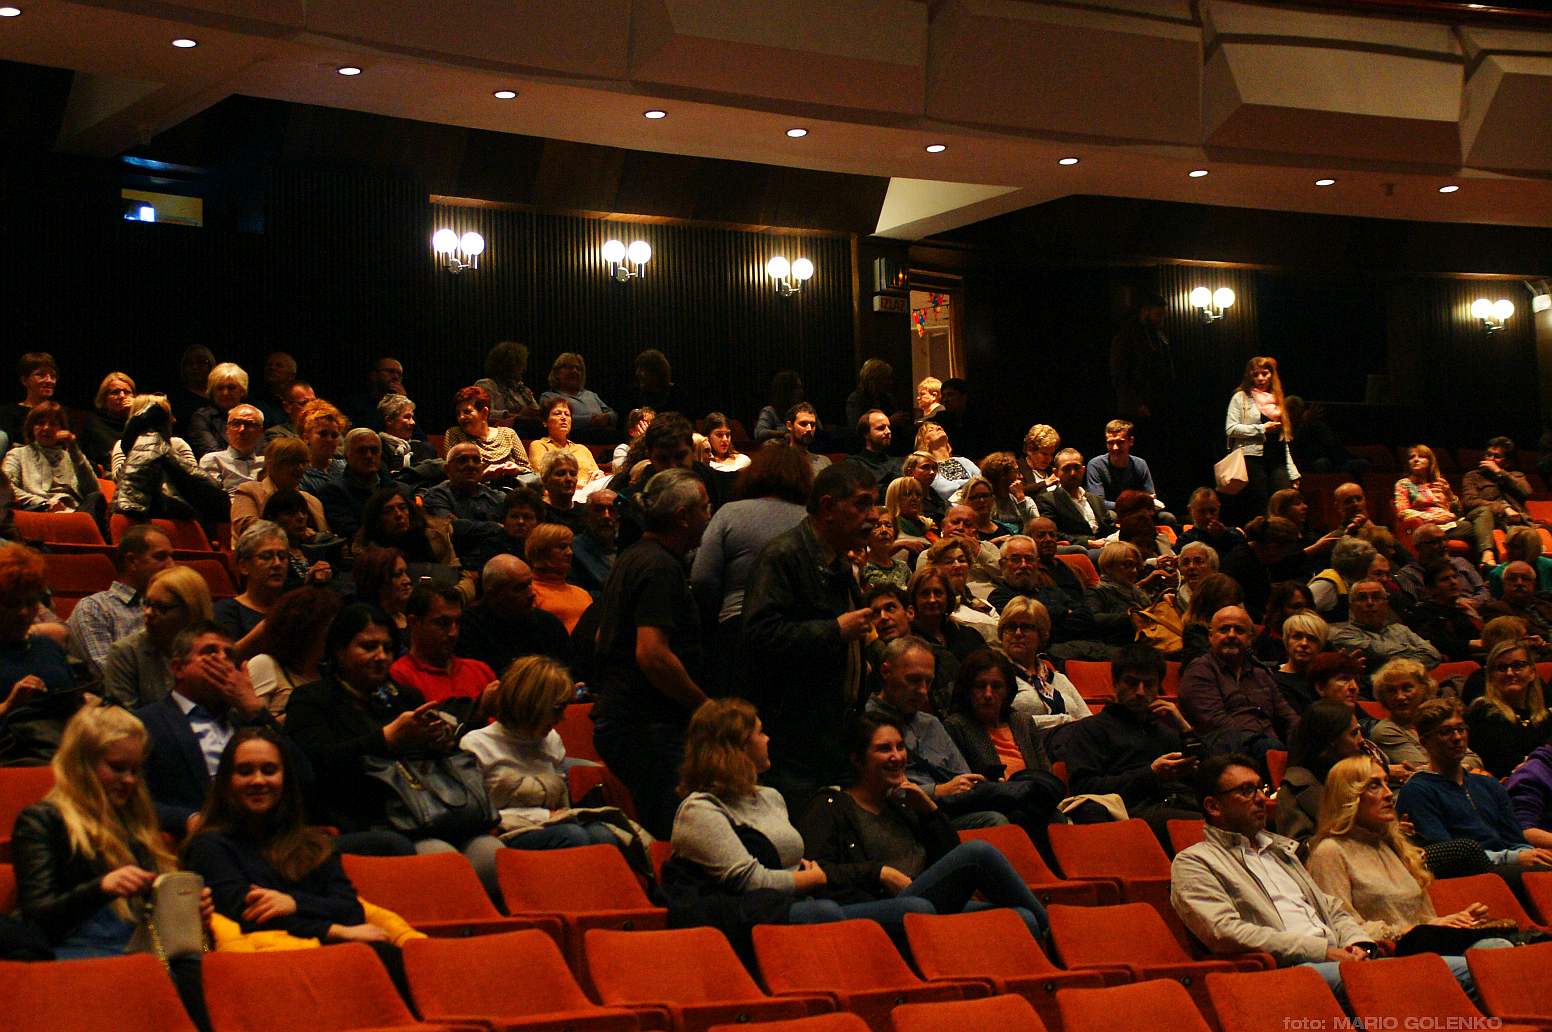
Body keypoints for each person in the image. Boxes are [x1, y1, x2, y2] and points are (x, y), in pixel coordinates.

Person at [10, 706, 212, 1027]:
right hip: (76, 953)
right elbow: (39, 919)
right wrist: (102, 888)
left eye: (135, 770)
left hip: (142, 954)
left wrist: (189, 914)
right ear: (82, 764)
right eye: (117, 768)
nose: (129, 780)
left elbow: (156, 927)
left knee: (196, 967)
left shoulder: (137, 827)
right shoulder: (42, 821)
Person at [285, 605, 505, 884]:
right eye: (368, 647)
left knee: (493, 855)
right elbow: (314, 766)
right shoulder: (312, 700)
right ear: (339, 651)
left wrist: (440, 742)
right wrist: (386, 739)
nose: (381, 656)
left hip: (430, 810)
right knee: (442, 860)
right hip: (367, 819)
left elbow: (436, 763)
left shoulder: (404, 697)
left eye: (387, 648)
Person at [667, 698, 922, 933]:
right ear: (738, 746)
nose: (768, 739)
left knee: (918, 907)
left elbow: (792, 861)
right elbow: (751, 881)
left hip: (801, 901)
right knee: (828, 912)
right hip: (747, 917)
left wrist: (930, 812)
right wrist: (814, 877)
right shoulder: (700, 810)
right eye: (760, 732)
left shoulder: (770, 797)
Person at [797, 712, 1048, 937]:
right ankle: (1055, 931)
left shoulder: (903, 803)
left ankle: (1045, 933)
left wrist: (929, 810)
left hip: (925, 896)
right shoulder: (829, 805)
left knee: (1022, 918)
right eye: (884, 749)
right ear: (857, 759)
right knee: (976, 853)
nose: (897, 757)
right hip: (879, 904)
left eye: (900, 747)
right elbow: (817, 872)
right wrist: (879, 872)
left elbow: (950, 861)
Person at [184, 728, 409, 967]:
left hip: (332, 956)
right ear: (227, 781)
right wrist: (333, 931)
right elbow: (249, 917)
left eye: (269, 770)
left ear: (285, 779)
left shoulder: (312, 844)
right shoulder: (209, 846)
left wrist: (293, 903)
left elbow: (350, 908)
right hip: (266, 963)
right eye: (245, 771)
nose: (258, 780)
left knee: (390, 956)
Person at [741, 462, 878, 810]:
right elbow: (760, 633)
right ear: (828, 507)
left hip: (836, 732)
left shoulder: (839, 562)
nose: (874, 516)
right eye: (862, 504)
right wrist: (835, 630)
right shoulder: (783, 555)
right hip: (795, 740)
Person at [1171, 753, 1375, 986]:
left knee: (1402, 972)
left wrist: (1358, 944)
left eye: (1260, 788)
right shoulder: (1195, 862)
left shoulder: (1280, 851)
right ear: (1214, 806)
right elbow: (1225, 931)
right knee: (1380, 981)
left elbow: (1330, 908)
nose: (1261, 798)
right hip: (1283, 970)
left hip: (1334, 959)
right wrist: (1322, 951)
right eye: (1247, 790)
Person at [1307, 756, 1510, 982]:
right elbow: (1343, 928)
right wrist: (1420, 929)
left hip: (1424, 949)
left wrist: (1456, 921)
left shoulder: (1391, 845)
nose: (1388, 794)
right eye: (1374, 786)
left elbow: (1424, 920)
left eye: (1386, 783)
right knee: (1491, 962)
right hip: (1386, 959)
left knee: (1499, 946)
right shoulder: (1330, 852)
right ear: (1349, 797)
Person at [591, 469, 712, 839]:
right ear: (683, 516)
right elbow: (653, 655)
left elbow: (601, 636)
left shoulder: (631, 557)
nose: (710, 515)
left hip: (624, 715)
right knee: (675, 833)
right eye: (705, 507)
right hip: (647, 724)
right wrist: (704, 705)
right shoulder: (660, 567)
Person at [461, 654, 629, 850]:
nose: (562, 718)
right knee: (572, 835)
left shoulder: (552, 740)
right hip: (505, 831)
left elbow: (559, 804)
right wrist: (543, 816)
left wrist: (554, 815)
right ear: (530, 705)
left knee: (604, 835)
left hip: (553, 823)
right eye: (556, 709)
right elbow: (479, 816)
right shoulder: (476, 744)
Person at [135, 622, 288, 835]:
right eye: (210, 652)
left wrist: (254, 708)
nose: (223, 660)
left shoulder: (247, 721)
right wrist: (187, 820)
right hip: (197, 838)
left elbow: (302, 778)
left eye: (229, 655)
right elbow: (133, 798)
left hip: (265, 832)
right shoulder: (144, 723)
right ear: (178, 668)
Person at [689, 445, 810, 692]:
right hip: (795, 631)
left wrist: (714, 614)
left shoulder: (730, 513)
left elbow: (702, 577)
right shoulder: (810, 521)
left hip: (736, 627)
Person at [1062, 645, 1205, 836]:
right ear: (1115, 683)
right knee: (1214, 826)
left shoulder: (1166, 730)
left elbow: (1210, 775)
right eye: (1131, 683)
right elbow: (1084, 788)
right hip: (1130, 811)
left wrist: (1184, 727)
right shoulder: (1091, 729)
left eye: (1149, 684)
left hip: (1180, 802)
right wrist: (1151, 773)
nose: (1140, 692)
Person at [1394, 698, 1552, 871]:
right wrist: (1514, 858)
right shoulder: (1417, 791)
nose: (1457, 737)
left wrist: (1532, 855)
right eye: (1445, 732)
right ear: (1425, 742)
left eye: (1461, 729)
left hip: (1510, 866)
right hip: (1468, 873)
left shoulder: (1488, 784)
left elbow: (1516, 840)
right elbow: (1447, 855)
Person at [1178, 605, 1299, 759]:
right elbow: (1214, 723)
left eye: (1239, 630)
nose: (1231, 635)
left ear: (1250, 639)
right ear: (1210, 636)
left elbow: (1287, 715)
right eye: (1224, 630)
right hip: (1224, 753)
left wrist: (1302, 736)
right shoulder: (1199, 671)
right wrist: (1264, 743)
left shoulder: (1260, 673)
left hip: (1270, 748)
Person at [0, 542, 82, 765]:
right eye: (12, 604)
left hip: (66, 750)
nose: (23, 612)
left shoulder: (47, 647)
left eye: (31, 603)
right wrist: (8, 705)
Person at [66, 523, 174, 676]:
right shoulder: (95, 608)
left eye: (171, 557)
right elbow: (109, 674)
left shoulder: (173, 607)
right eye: (160, 557)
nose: (171, 565)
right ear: (132, 561)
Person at [102, 566, 213, 709]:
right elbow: (123, 718)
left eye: (161, 607)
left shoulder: (216, 649)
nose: (148, 612)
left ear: (190, 610)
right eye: (147, 603)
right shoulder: (126, 653)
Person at [110, 393, 226, 524]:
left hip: (156, 506)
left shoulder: (178, 444)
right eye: (168, 415)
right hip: (160, 511)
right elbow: (119, 479)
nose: (174, 420)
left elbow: (192, 483)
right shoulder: (123, 445)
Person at [457, 555, 573, 676]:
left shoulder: (549, 624)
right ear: (493, 593)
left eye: (530, 584)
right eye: (520, 588)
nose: (531, 593)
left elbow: (570, 672)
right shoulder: (467, 627)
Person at [1274, 700, 1367, 847]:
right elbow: (1298, 851)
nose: (1361, 740)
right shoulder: (1294, 789)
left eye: (1360, 731)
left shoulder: (1363, 775)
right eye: (1354, 734)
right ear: (1331, 740)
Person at [1368, 658, 1483, 774]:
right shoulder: (1385, 731)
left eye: (1407, 688)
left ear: (1424, 688)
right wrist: (1464, 767)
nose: (1400, 697)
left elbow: (1475, 760)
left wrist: (1460, 767)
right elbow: (1427, 772)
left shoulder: (1436, 720)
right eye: (1391, 691)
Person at [389, 587, 496, 709]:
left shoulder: (480, 670)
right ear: (413, 622)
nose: (453, 633)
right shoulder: (399, 675)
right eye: (442, 623)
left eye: (457, 622)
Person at [247, 587, 342, 720]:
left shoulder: (330, 673)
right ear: (307, 629)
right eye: (329, 628)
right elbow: (249, 726)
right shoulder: (265, 664)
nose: (336, 635)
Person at [997, 597, 1090, 729]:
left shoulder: (1059, 679)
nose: (1018, 633)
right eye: (1011, 627)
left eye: (1026, 627)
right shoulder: (996, 676)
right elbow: (1000, 721)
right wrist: (1062, 720)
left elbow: (1088, 721)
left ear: (1041, 635)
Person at [1225, 356, 1299, 520]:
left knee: (1284, 503)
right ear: (1249, 376)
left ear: (1271, 375)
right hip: (1253, 459)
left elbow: (1283, 440)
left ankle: (1283, 533)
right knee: (1260, 505)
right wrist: (1261, 429)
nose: (1260, 378)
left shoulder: (1277, 399)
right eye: (1255, 374)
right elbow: (1231, 429)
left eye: (1264, 374)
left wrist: (1293, 471)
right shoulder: (1241, 397)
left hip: (1277, 459)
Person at [1464, 640, 1550, 779]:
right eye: (1501, 668)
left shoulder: (1544, 715)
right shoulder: (1483, 713)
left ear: (1532, 672)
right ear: (1491, 676)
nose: (1510, 673)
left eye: (1518, 666)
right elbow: (1501, 765)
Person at [3, 402, 103, 519]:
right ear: (32, 428)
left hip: (75, 511)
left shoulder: (71, 456)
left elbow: (93, 490)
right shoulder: (18, 454)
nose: (46, 428)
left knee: (95, 497)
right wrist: (44, 503)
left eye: (53, 424)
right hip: (38, 510)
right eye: (40, 423)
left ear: (61, 429)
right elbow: (6, 488)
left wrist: (74, 449)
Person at [215, 521, 289, 662]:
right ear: (243, 566)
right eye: (266, 556)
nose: (277, 564)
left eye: (282, 556)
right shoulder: (226, 610)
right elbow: (225, 660)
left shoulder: (294, 608)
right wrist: (268, 625)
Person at [1329, 579, 1441, 670]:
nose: (1370, 603)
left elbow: (1433, 655)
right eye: (1362, 598)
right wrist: (1413, 649)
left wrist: (1395, 660)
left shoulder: (1400, 629)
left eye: (1376, 597)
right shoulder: (1344, 636)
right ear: (1352, 606)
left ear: (1386, 604)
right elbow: (1380, 655)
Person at [1463, 436, 1534, 567]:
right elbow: (1469, 501)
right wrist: (1503, 508)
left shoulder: (1516, 475)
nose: (1490, 459)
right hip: (1488, 520)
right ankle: (1490, 562)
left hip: (1517, 521)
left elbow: (1526, 492)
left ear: (1507, 462)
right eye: (1488, 454)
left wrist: (1499, 472)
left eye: (1497, 456)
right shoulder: (1473, 476)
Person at [1219, 517, 1303, 628]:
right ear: (1272, 548)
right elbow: (1237, 602)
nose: (1286, 556)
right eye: (1287, 551)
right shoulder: (1240, 563)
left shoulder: (1258, 558)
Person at [1085, 419, 1172, 523]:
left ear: (1131, 441)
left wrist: (1141, 504)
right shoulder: (1095, 465)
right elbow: (1099, 503)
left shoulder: (1140, 464)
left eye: (1120, 442)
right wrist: (1133, 505)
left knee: (1167, 518)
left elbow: (1150, 498)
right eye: (1110, 443)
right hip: (1115, 512)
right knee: (1110, 516)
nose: (1115, 447)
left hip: (1138, 512)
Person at [444, 385, 533, 482]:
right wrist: (482, 476)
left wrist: (516, 469)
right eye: (458, 413)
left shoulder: (508, 434)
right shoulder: (454, 434)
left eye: (467, 412)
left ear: (484, 413)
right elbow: (452, 474)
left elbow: (527, 470)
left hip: (512, 488)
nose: (461, 417)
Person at [1395, 524, 1491, 612]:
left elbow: (1483, 589)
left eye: (1445, 539)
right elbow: (1414, 607)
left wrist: (1473, 603)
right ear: (1418, 547)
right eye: (1435, 542)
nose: (1443, 544)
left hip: (1478, 609)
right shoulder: (1408, 574)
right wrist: (1453, 604)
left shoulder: (1460, 562)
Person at [1109, 291, 1171, 424]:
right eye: (1158, 315)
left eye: (1162, 315)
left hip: (1156, 400)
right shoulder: (1127, 336)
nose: (1161, 319)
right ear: (1145, 312)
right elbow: (1120, 374)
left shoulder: (1157, 334)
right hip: (1137, 406)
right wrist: (1136, 403)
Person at [1402, 561, 1483, 663]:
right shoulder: (1423, 613)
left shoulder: (1461, 609)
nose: (1453, 582)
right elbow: (1436, 644)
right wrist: (1470, 644)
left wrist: (1475, 618)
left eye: (1455, 577)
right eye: (1445, 579)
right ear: (1431, 589)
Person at [1394, 444, 1472, 548]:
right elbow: (1403, 512)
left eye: (1421, 456)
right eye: (1412, 457)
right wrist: (1436, 518)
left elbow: (1458, 513)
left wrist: (1449, 494)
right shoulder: (1404, 484)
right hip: (1426, 527)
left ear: (1430, 462)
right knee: (1471, 528)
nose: (1415, 460)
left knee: (1476, 524)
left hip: (1450, 524)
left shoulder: (1440, 483)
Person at [1035, 447, 1113, 547]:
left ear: (1083, 470)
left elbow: (1110, 528)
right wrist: (1088, 543)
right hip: (1079, 549)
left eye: (1077, 468)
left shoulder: (1096, 499)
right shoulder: (1048, 500)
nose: (1073, 473)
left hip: (1106, 546)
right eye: (1066, 469)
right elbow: (1053, 534)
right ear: (1056, 472)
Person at [1084, 540, 1156, 647]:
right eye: (1127, 565)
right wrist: (1130, 617)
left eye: (1136, 566)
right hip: (1119, 647)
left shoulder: (1136, 592)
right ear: (1108, 567)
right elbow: (1092, 619)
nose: (1134, 571)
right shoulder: (1097, 592)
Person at [523, 523, 592, 634]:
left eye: (570, 547)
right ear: (542, 551)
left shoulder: (583, 594)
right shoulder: (529, 592)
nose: (570, 552)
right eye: (562, 547)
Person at [528, 395, 604, 487]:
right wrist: (580, 485)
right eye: (557, 414)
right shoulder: (539, 445)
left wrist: (599, 476)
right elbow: (544, 477)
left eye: (567, 414)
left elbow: (597, 473)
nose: (563, 417)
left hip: (590, 491)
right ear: (545, 422)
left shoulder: (582, 449)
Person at [351, 546, 413, 655]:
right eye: (398, 575)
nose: (407, 580)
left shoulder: (409, 611)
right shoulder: (368, 625)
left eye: (405, 573)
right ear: (377, 581)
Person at [538, 353, 615, 436]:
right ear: (557, 373)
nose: (575, 371)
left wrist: (608, 417)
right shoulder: (549, 397)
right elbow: (555, 419)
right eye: (570, 367)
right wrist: (591, 420)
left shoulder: (591, 395)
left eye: (579, 369)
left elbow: (613, 414)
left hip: (605, 439)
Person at [1483, 561, 1552, 650]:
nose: (1519, 583)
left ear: (1533, 584)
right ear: (1503, 584)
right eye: (1512, 579)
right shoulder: (1496, 610)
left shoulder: (1545, 603)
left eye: (1525, 578)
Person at [198, 403, 265, 494]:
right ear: (227, 430)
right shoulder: (213, 460)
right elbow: (213, 497)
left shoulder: (267, 463)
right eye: (236, 424)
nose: (242, 429)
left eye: (249, 424)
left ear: (260, 431)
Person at [187, 362, 250, 459]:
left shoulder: (252, 416)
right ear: (212, 392)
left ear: (242, 391)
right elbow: (213, 455)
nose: (225, 393)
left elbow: (260, 450)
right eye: (220, 388)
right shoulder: (202, 418)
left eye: (231, 388)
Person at [1307, 537, 1377, 624]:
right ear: (1360, 566)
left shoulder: (1349, 583)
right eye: (1370, 565)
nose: (1371, 569)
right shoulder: (1326, 584)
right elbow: (1302, 613)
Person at [1272, 610, 1330, 714]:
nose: (1304, 643)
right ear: (1286, 641)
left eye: (1311, 639)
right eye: (1297, 637)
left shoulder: (1326, 678)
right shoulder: (1274, 681)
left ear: (1321, 645)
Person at [78, 372, 137, 474]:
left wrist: (136, 411)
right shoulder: (92, 424)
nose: (122, 396)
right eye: (115, 392)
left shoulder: (140, 423)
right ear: (104, 399)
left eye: (127, 392)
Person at [0, 352, 59, 449]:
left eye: (53, 376)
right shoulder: (7, 413)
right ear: (25, 380)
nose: (49, 380)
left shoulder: (58, 413)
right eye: (40, 375)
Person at [475, 340, 541, 425]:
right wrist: (515, 416)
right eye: (520, 365)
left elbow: (537, 412)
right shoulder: (486, 385)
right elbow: (484, 412)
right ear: (507, 366)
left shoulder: (522, 390)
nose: (524, 369)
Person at [914, 420, 978, 504]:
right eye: (931, 430)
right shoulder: (927, 468)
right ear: (925, 441)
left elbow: (982, 481)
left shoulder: (963, 461)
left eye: (939, 428)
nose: (938, 428)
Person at [341, 356, 408, 433]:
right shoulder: (354, 403)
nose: (396, 377)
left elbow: (416, 434)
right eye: (390, 371)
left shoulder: (403, 401)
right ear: (373, 375)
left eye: (399, 374)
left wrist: (403, 403)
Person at [1175, 488, 1242, 563]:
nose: (1208, 516)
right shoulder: (1184, 540)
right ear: (1190, 510)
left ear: (1219, 508)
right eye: (1202, 511)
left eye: (1212, 511)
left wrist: (1225, 535)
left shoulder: (1234, 534)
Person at [296, 398, 347, 493]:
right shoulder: (298, 474)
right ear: (306, 438)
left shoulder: (346, 468)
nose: (329, 440)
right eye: (323, 434)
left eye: (334, 435)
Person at [1257, 582, 1316, 665]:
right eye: (1296, 607)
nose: (1304, 612)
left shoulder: (1320, 641)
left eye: (1308, 607)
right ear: (1279, 609)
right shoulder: (1267, 643)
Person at [376, 394, 436, 473]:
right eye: (407, 417)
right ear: (389, 420)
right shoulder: (377, 449)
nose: (413, 422)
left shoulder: (425, 449)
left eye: (412, 418)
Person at [844, 408, 900, 489]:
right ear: (866, 434)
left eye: (889, 427)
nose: (888, 431)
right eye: (881, 428)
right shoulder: (854, 465)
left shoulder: (897, 463)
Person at [858, 511, 910, 593]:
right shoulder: (862, 568)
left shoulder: (903, 567)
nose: (884, 530)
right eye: (876, 526)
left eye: (889, 526)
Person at [845, 359, 900, 433]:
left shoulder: (887, 398)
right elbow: (857, 427)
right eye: (886, 378)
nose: (890, 382)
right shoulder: (856, 399)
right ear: (874, 379)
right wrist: (889, 421)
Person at [171, 345, 215, 429]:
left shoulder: (219, 395)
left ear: (211, 365)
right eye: (189, 363)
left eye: (201, 362)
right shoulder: (176, 399)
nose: (195, 367)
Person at [754, 370, 804, 444]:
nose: (801, 391)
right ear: (786, 391)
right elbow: (760, 433)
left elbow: (819, 434)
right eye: (797, 388)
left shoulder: (804, 411)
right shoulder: (770, 411)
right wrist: (784, 434)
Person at [783, 402, 830, 477]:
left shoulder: (824, 462)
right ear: (789, 426)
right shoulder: (778, 461)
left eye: (812, 425)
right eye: (803, 424)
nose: (809, 429)